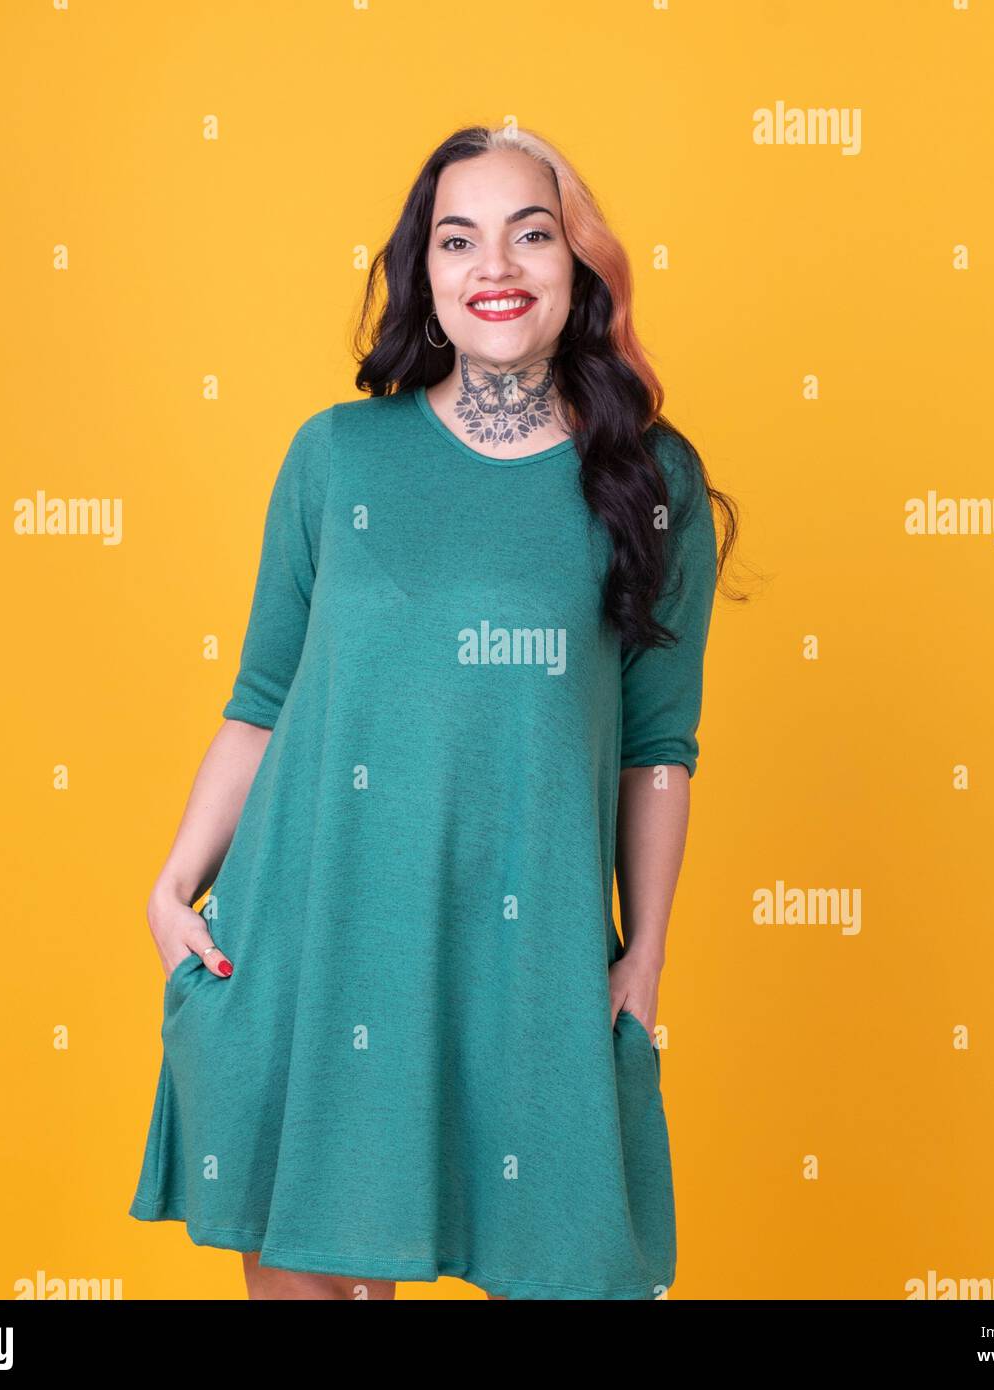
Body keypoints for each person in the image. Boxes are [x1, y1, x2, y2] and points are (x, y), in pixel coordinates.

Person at [128, 123, 739, 1300]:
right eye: (458, 240)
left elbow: (658, 746)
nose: (493, 266)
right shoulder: (337, 457)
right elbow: (263, 701)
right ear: (426, 277)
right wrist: (170, 886)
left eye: (530, 233)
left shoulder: (647, 480)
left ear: (578, 266)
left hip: (530, 957)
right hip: (315, 938)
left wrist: (645, 951)